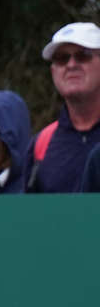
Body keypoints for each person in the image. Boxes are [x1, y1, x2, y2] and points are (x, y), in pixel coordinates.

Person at [28, 22, 100, 192]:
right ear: (53, 71)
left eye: (83, 55)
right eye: (61, 58)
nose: (71, 65)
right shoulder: (41, 144)